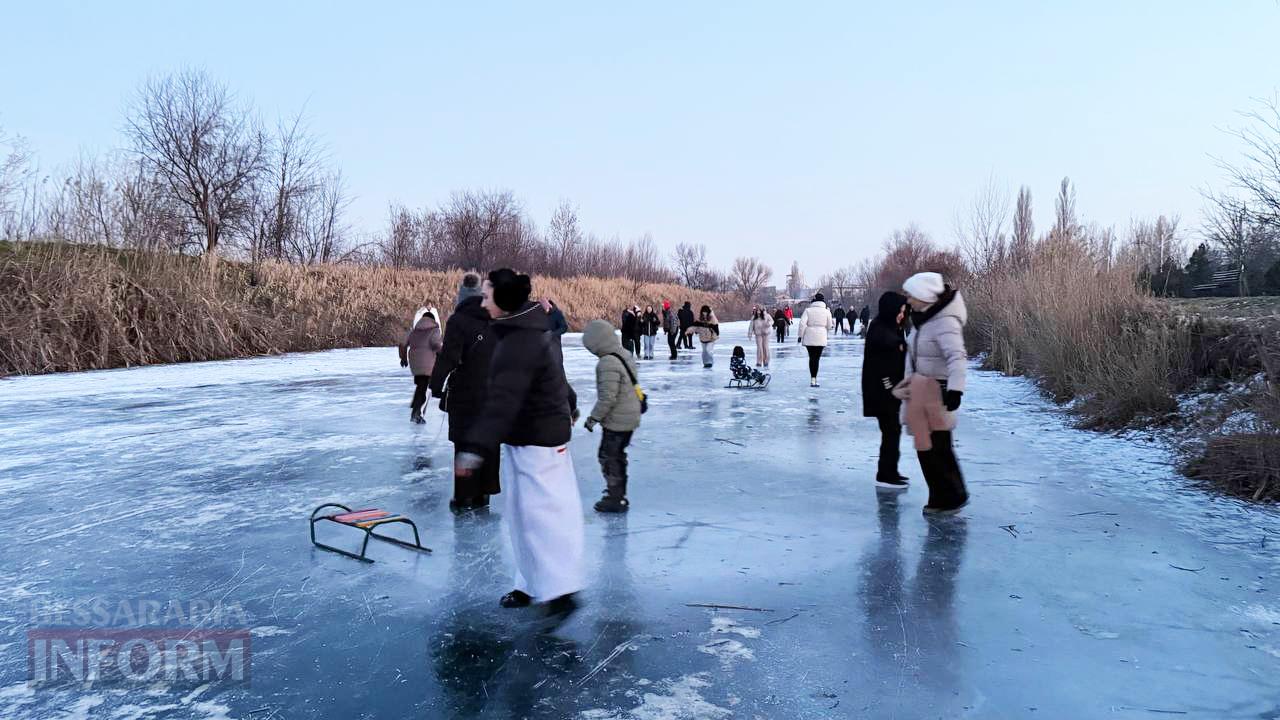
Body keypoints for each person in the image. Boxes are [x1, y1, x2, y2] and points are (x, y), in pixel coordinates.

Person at [455, 269, 584, 622]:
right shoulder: (522, 329)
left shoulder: (520, 340)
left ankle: (560, 591)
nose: (482, 301)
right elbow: (553, 371)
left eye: (486, 295)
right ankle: (530, 584)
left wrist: (475, 448)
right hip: (525, 438)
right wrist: (570, 402)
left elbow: (503, 401)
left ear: (503, 300)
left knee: (545, 519)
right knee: (522, 517)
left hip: (540, 440)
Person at [896, 272, 969, 515]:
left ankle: (952, 495)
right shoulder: (923, 320)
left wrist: (955, 389)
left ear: (922, 295)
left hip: (936, 391)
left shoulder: (944, 322)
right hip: (919, 390)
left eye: (910, 294)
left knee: (938, 447)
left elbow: (956, 357)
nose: (907, 299)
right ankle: (939, 495)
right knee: (924, 447)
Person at [431, 274, 501, 512]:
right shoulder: (496, 319)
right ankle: (484, 495)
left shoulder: (458, 320)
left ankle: (464, 497)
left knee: (464, 443)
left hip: (466, 395)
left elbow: (449, 357)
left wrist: (436, 384)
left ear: (461, 298)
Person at [581, 320, 643, 513]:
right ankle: (618, 493)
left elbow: (608, 397)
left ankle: (616, 497)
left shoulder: (607, 363)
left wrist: (593, 418)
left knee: (609, 456)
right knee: (617, 455)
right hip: (631, 414)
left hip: (618, 420)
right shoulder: (623, 353)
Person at [862, 292, 911, 490]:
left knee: (892, 431)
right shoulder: (881, 330)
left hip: (889, 390)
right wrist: (890, 387)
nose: (902, 315)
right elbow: (879, 364)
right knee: (891, 430)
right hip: (883, 392)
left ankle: (888, 471)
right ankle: (886, 473)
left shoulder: (891, 327)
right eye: (900, 311)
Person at [399, 308, 443, 425]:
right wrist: (444, 354)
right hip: (428, 363)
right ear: (433, 320)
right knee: (424, 388)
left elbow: (402, 344)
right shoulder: (435, 330)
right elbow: (436, 344)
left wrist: (403, 358)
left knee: (421, 385)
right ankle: (416, 412)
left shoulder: (414, 331)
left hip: (415, 363)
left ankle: (416, 407)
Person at [797, 293, 835, 387]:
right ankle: (814, 378)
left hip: (809, 336)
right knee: (816, 358)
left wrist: (800, 336)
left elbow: (802, 324)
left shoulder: (808, 310)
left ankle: (812, 379)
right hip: (821, 337)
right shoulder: (826, 311)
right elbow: (830, 326)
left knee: (811, 357)